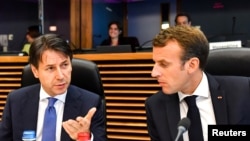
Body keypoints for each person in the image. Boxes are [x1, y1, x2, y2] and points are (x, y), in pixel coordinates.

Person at [145, 26, 250, 141]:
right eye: (155, 63)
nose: (154, 73)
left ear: (192, 65)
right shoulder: (155, 106)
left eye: (164, 64)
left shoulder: (243, 91)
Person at [0, 34, 107, 141]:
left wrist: (86, 138)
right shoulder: (15, 101)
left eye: (64, 65)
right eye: (50, 68)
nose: (60, 76)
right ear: (35, 71)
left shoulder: (90, 103)